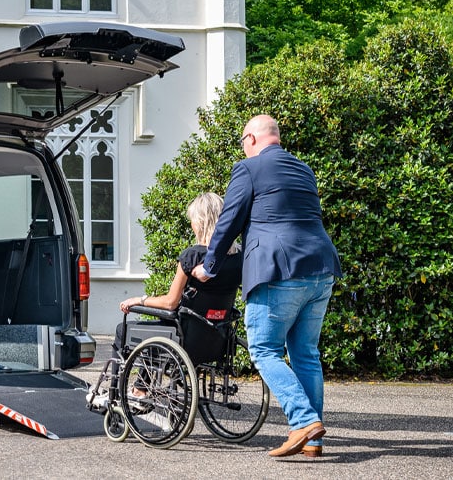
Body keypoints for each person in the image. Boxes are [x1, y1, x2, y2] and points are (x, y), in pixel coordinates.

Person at [193, 115, 341, 458]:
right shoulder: (304, 169)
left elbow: (228, 220)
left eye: (244, 142)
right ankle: (312, 441)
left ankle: (304, 422)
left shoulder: (249, 168)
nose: (243, 148)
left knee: (264, 350)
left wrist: (209, 266)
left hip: (278, 271)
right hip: (320, 268)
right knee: (305, 353)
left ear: (252, 139)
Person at [115, 192, 243, 348]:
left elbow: (170, 303)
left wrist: (139, 300)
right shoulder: (238, 256)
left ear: (200, 222)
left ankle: (118, 372)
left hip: (185, 338)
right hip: (218, 340)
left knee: (122, 330)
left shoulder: (192, 256)